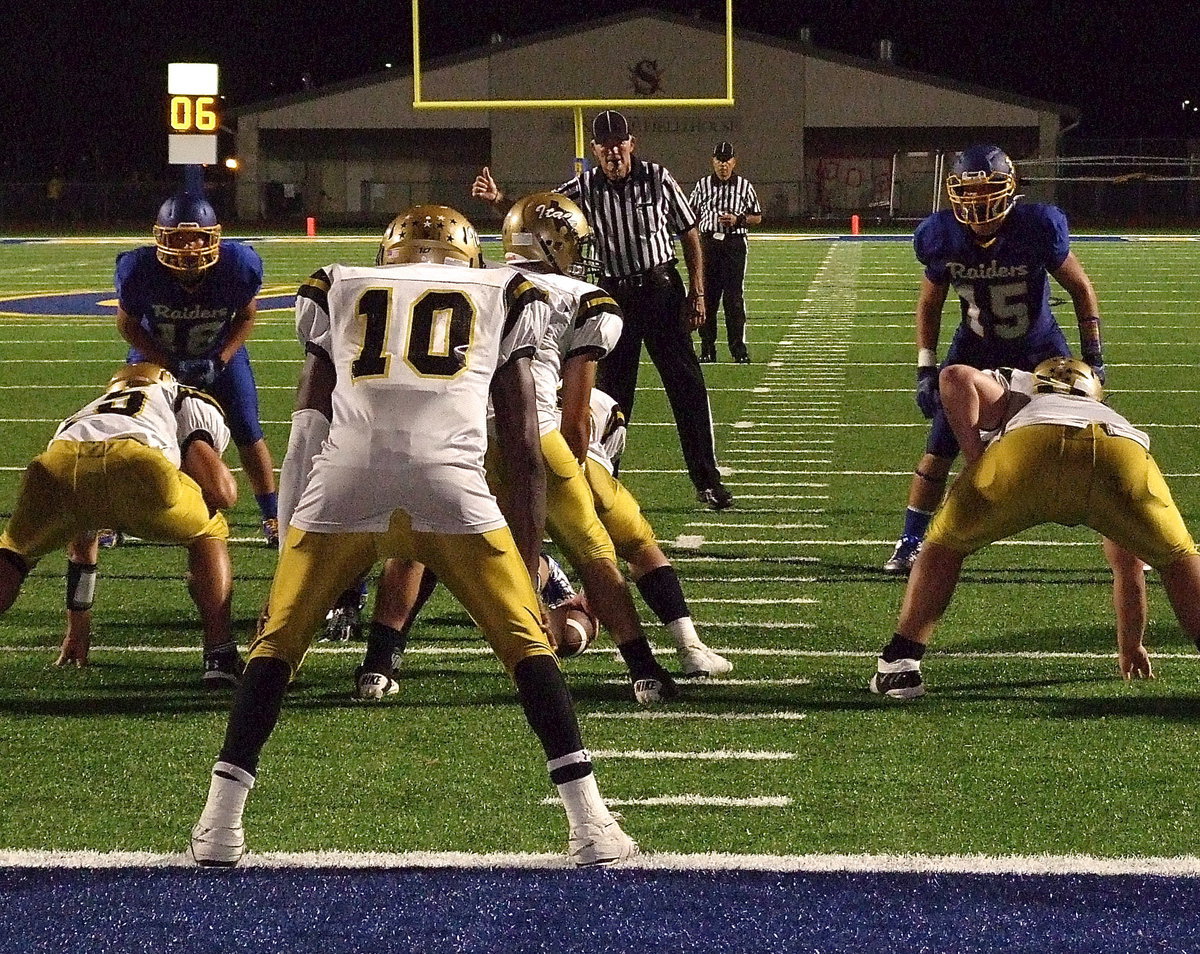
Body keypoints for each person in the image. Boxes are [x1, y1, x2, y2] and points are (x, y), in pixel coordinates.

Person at [191, 205, 637, 869]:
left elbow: (308, 427)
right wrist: (526, 569)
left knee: (277, 644)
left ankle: (219, 825)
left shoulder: (339, 283)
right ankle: (592, 825)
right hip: (449, 479)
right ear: (468, 257)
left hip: (346, 480)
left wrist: (290, 550)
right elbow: (518, 444)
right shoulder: (508, 292)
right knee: (524, 643)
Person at [869, 358, 1200, 699]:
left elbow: (954, 375)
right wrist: (1131, 645)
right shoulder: (1106, 413)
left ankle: (901, 665)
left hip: (1027, 446)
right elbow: (1128, 567)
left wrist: (975, 457)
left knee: (943, 544)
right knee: (1178, 557)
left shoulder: (1020, 387)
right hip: (1120, 451)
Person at [472, 109, 734, 510]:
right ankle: (603, 480)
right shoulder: (584, 185)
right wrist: (499, 200)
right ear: (594, 150)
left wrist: (697, 294)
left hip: (661, 290)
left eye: (619, 144)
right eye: (605, 146)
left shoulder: (658, 178)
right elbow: (539, 212)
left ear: (632, 143)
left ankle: (707, 480)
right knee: (611, 397)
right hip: (616, 297)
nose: (614, 153)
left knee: (688, 390)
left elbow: (689, 232)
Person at [883, 144, 1106, 575]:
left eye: (987, 189)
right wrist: (926, 367)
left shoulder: (1036, 226)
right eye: (968, 191)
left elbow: (1081, 288)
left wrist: (1093, 356)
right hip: (975, 345)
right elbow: (930, 303)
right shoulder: (941, 235)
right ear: (953, 193)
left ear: (1010, 188)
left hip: (1040, 346)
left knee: (1087, 439)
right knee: (939, 445)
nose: (978, 201)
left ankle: (1125, 535)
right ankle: (910, 541)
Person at [0, 364, 242, 686]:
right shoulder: (178, 395)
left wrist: (79, 625)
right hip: (137, 463)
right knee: (210, 528)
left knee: (14, 555)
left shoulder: (87, 412)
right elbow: (222, 493)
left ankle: (75, 631)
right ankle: (220, 656)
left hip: (58, 463)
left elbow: (82, 540)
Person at [114, 191, 280, 546]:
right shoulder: (140, 270)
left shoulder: (236, 266)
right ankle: (113, 514)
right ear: (162, 238)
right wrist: (166, 360)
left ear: (213, 237)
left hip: (218, 354)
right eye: (178, 238)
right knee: (130, 431)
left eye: (197, 238)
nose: (189, 248)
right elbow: (127, 325)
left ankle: (272, 514)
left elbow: (248, 314)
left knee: (248, 431)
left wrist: (221, 357)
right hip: (157, 355)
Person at [582, 385, 733, 677]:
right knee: (636, 548)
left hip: (500, 459)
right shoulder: (603, 404)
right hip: (575, 465)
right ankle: (684, 651)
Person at [688, 141, 762, 364]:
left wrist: (738, 219)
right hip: (709, 245)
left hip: (734, 245)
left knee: (733, 300)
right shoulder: (702, 186)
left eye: (727, 160)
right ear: (713, 161)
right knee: (708, 298)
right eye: (719, 160)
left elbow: (757, 216)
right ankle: (708, 349)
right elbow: (690, 214)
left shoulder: (744, 186)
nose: (723, 165)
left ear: (733, 162)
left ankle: (738, 349)